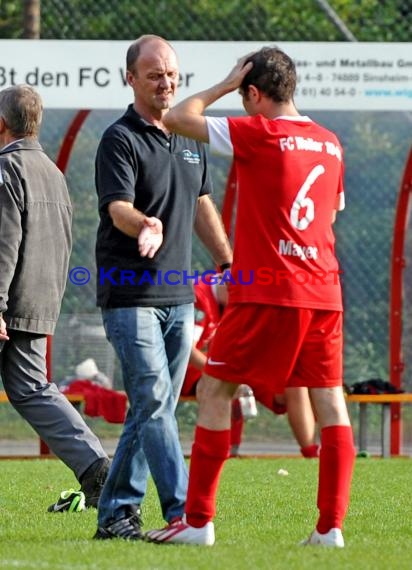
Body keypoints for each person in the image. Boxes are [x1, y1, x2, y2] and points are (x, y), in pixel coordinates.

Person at [145, 46, 356, 548]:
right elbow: (333, 210)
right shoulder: (331, 143)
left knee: (214, 391)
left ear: (254, 93)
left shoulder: (257, 133)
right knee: (331, 400)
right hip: (325, 290)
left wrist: (221, 85)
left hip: (268, 289)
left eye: (244, 97)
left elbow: (176, 118)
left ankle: (197, 522)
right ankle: (330, 530)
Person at [93, 35, 232, 540]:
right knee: (153, 401)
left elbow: (201, 205)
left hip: (179, 300)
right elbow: (118, 208)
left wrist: (227, 259)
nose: (166, 82)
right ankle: (184, 515)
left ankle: (115, 516)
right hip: (130, 296)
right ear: (130, 78)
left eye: (171, 73)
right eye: (154, 74)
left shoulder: (188, 138)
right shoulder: (119, 138)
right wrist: (145, 225)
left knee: (153, 408)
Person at [0, 84, 110, 511]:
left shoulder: (7, 170)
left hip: (8, 302)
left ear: (2, 124)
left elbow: (5, 243)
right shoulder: (52, 171)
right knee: (34, 389)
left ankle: (98, 469)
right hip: (39, 300)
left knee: (33, 389)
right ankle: (96, 468)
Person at [182, 273, 319, 458]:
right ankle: (222, 451)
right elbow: (185, 351)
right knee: (224, 386)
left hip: (232, 364)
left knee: (295, 383)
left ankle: (312, 454)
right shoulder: (199, 297)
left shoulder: (242, 299)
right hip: (190, 371)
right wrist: (221, 371)